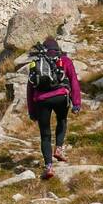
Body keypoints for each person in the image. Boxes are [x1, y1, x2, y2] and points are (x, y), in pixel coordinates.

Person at [26, 37, 81, 180]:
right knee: (62, 120)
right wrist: (76, 103)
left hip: (41, 100)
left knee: (45, 135)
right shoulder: (64, 60)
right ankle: (59, 148)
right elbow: (74, 81)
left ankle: (49, 166)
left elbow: (30, 88)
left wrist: (32, 111)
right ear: (57, 48)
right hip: (61, 97)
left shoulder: (36, 62)